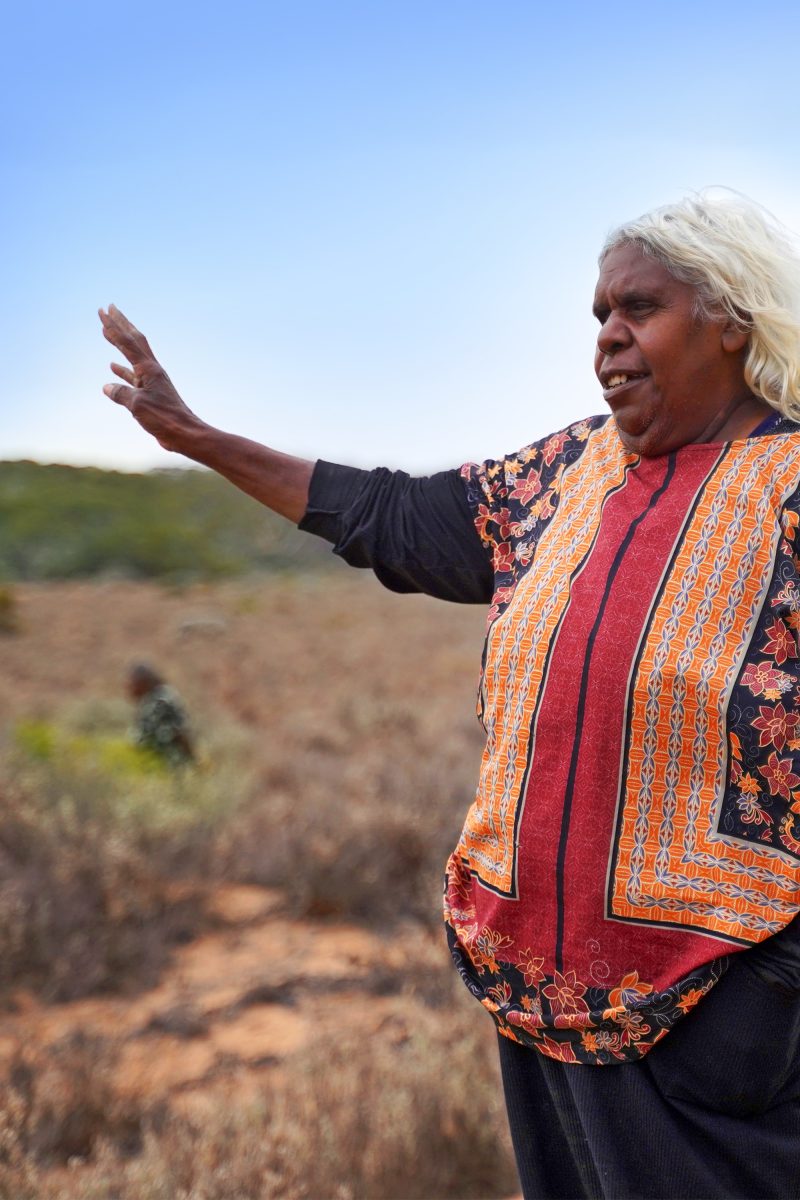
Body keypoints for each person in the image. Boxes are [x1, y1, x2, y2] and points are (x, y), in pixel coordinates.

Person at [100, 190, 800, 1199]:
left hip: (713, 1017)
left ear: (730, 317)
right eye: (596, 316)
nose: (605, 341)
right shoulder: (559, 476)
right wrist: (196, 437)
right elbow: (386, 514)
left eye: (637, 310)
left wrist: (770, 996)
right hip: (533, 1000)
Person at [126, 661, 194, 766]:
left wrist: (192, 760)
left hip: (168, 764)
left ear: (143, 682)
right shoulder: (150, 698)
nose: (130, 688)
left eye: (134, 683)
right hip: (152, 763)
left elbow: (180, 732)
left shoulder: (160, 700)